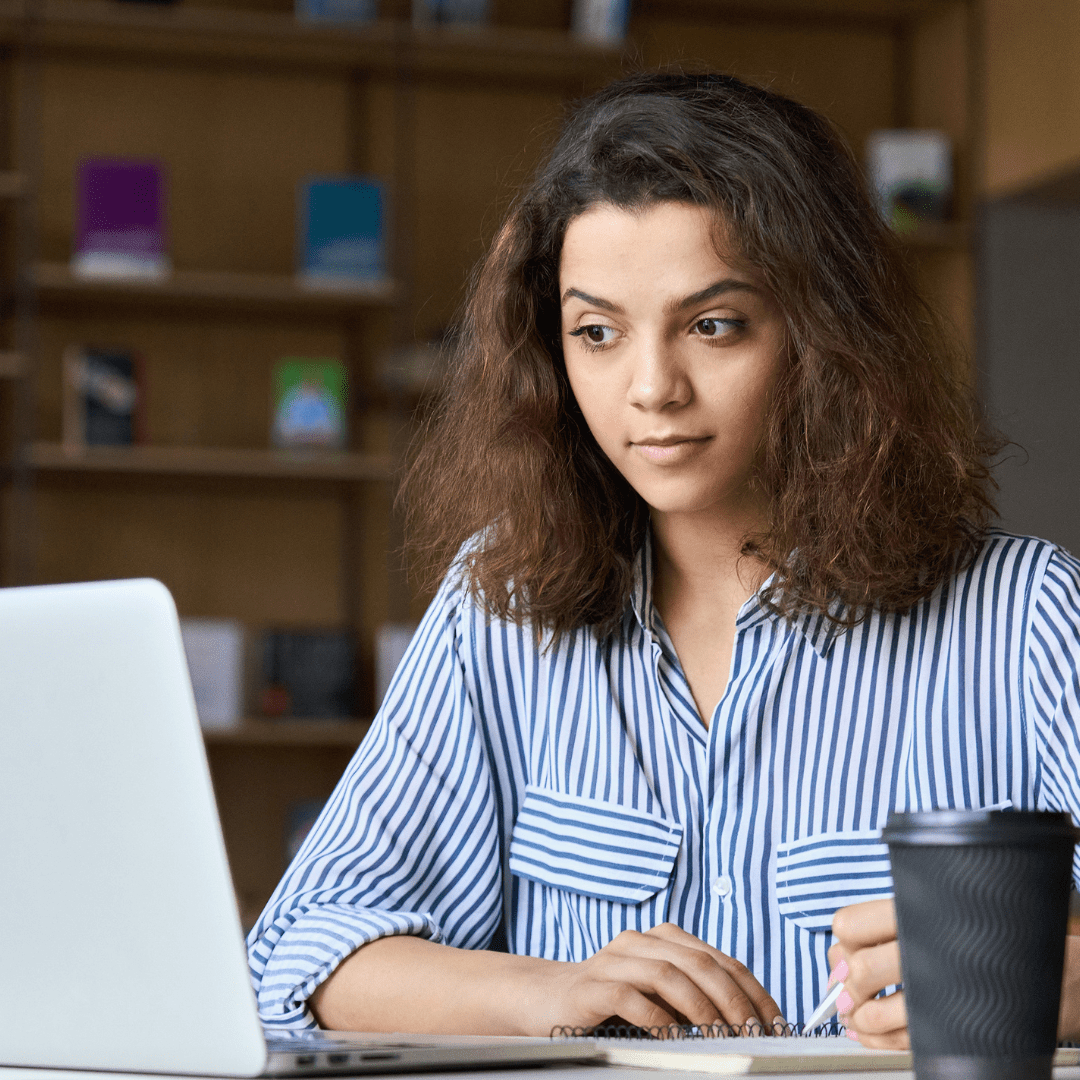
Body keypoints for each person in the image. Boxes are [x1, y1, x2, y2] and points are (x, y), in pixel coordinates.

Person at [246, 70, 1080, 1047]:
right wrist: (544, 996)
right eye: (596, 333)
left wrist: (1060, 986)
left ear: (823, 338)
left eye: (712, 325)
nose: (651, 389)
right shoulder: (499, 604)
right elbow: (297, 953)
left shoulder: (1022, 614)